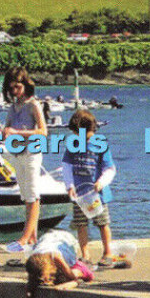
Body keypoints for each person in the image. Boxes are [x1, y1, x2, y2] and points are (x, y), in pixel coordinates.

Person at [12, 230, 95, 298]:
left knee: (70, 275)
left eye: (44, 280)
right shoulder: (34, 262)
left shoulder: (56, 257)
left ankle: (83, 264)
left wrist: (71, 283)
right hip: (46, 240)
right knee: (36, 285)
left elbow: (81, 278)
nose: (43, 284)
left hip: (64, 239)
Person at [59, 108, 116, 263]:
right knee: (81, 224)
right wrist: (69, 185)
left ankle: (108, 253)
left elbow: (109, 168)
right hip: (80, 195)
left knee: (102, 223)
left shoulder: (100, 145)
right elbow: (66, 166)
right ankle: (85, 255)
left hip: (98, 195)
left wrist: (101, 182)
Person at [0, 66, 47, 248]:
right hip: (17, 153)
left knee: (33, 195)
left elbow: (43, 131)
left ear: (25, 85)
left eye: (17, 87)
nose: (14, 91)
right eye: (11, 88)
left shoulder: (33, 104)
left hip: (31, 152)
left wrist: (17, 132)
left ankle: (24, 237)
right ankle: (32, 238)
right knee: (25, 195)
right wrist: (4, 132)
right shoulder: (14, 106)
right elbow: (8, 128)